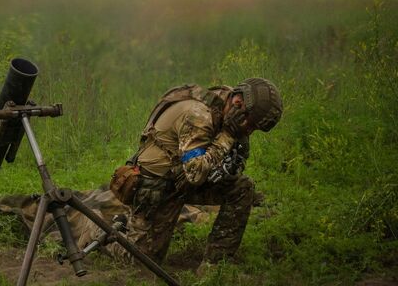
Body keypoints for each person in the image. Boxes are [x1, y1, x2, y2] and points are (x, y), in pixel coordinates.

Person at [110, 78, 282, 265]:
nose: (249, 132)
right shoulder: (199, 116)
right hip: (159, 186)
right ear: (238, 103)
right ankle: (99, 230)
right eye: (249, 126)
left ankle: (215, 265)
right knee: (140, 262)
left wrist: (231, 163)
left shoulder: (229, 105)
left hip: (186, 179)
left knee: (242, 188)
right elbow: (195, 173)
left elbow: (233, 161)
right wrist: (227, 137)